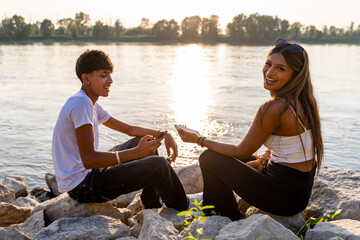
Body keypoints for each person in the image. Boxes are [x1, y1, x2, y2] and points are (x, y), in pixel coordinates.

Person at [177, 39, 323, 221]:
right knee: (230, 158)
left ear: (295, 74)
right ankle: (211, 201)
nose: (269, 72)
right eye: (268, 64)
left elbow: (241, 150)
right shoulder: (306, 100)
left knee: (210, 158)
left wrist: (199, 139)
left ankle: (226, 217)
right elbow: (288, 143)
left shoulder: (274, 108)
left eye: (280, 68)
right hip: (299, 193)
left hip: (282, 199)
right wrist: (262, 160)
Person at [52, 49, 188, 211]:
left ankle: (151, 204)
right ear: (86, 78)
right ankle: (183, 207)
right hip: (83, 187)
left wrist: (163, 135)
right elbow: (89, 159)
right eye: (103, 76)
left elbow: (129, 129)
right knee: (159, 165)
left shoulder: (89, 103)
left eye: (109, 75)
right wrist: (136, 153)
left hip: (87, 177)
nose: (110, 80)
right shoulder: (82, 104)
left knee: (146, 140)